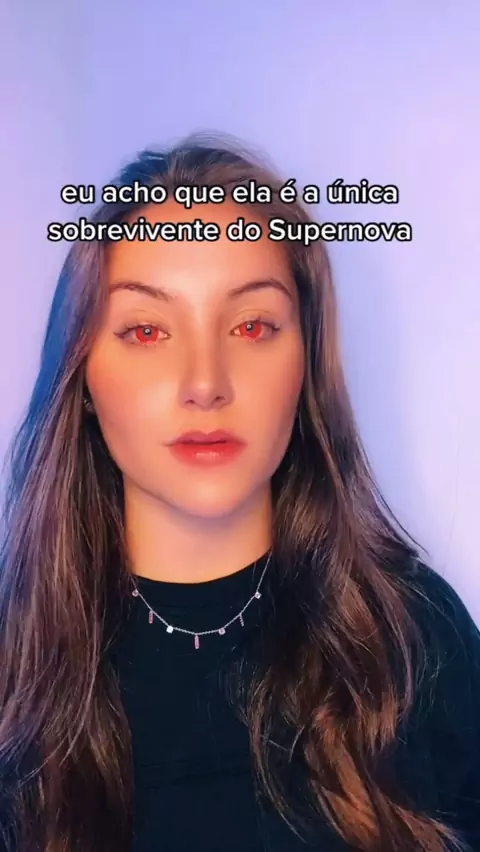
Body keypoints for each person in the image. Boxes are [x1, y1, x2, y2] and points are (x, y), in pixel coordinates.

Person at [0, 134, 478, 852]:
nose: (205, 383)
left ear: (305, 363)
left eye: (252, 326)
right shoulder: (14, 669)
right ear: (83, 376)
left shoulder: (417, 638)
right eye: (147, 330)